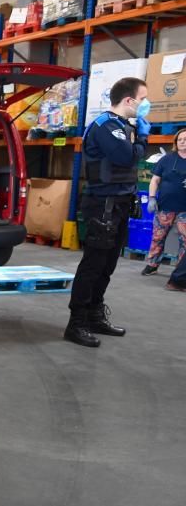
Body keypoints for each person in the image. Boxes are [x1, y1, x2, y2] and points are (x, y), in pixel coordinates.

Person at [64, 77, 150, 348]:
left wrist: (138, 137)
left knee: (108, 264)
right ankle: (76, 323)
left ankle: (94, 315)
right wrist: (143, 137)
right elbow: (127, 157)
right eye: (143, 98)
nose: (146, 104)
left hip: (120, 203)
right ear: (128, 100)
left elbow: (131, 156)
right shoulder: (106, 126)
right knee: (93, 264)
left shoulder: (125, 126)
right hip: (102, 204)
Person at [142, 128, 186, 276]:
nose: (182, 142)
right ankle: (152, 264)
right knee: (158, 236)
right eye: (180, 139)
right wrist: (152, 198)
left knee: (185, 241)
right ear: (176, 142)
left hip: (185, 210)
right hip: (165, 207)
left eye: (185, 139)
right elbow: (154, 180)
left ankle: (181, 271)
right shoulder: (166, 159)